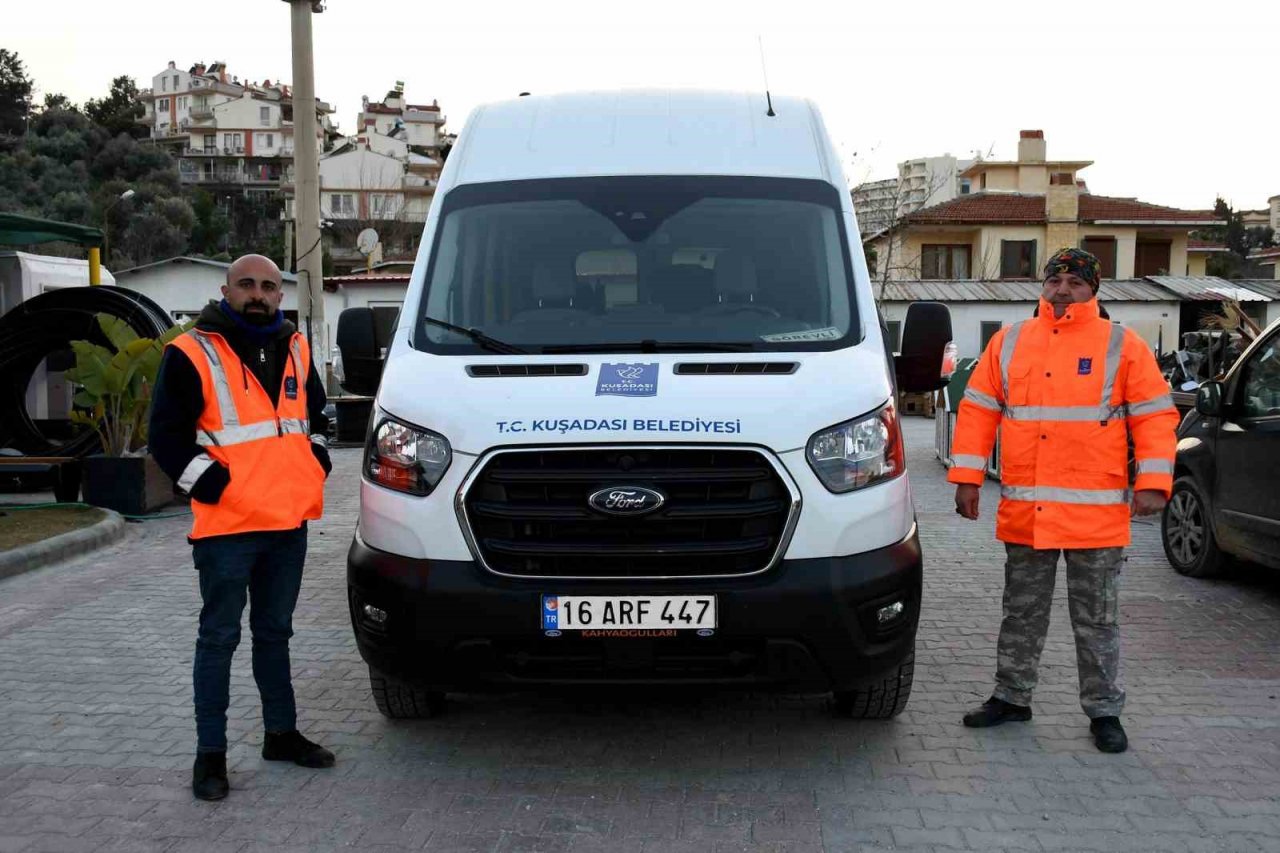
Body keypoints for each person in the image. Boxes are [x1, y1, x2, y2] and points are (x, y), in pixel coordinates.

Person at [949, 247, 1179, 753]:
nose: (1063, 289)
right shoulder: (1009, 342)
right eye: (1056, 279)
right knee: (1021, 612)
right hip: (1027, 513)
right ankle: (1011, 697)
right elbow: (978, 410)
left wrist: (1153, 484)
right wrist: (967, 477)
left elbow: (1155, 417)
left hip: (1095, 518)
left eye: (1076, 282)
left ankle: (1104, 711)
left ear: (1093, 290)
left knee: (1097, 619)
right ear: (1042, 284)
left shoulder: (1122, 344)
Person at [149, 254, 335, 800]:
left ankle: (280, 734)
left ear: (282, 295)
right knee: (219, 640)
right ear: (226, 290)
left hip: (287, 524)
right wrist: (211, 486)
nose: (259, 294)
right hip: (228, 527)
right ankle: (210, 757)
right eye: (247, 285)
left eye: (270, 286)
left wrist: (316, 461)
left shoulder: (297, 347)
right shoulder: (190, 351)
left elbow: (317, 417)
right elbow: (166, 436)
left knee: (274, 635)